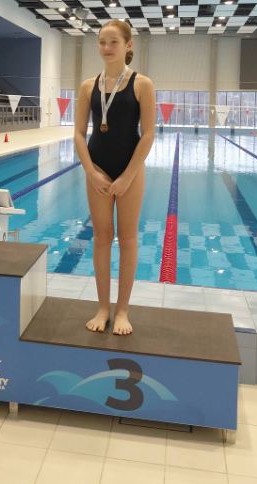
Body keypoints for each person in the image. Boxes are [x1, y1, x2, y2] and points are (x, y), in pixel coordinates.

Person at [73, 20, 155, 336]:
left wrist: (128, 176)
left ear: (128, 45)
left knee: (128, 238)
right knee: (101, 238)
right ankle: (103, 308)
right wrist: (90, 171)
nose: (106, 48)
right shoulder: (87, 86)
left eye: (113, 42)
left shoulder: (142, 84)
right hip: (98, 168)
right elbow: (79, 134)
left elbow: (148, 135)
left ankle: (122, 311)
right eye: (102, 42)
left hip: (129, 168)